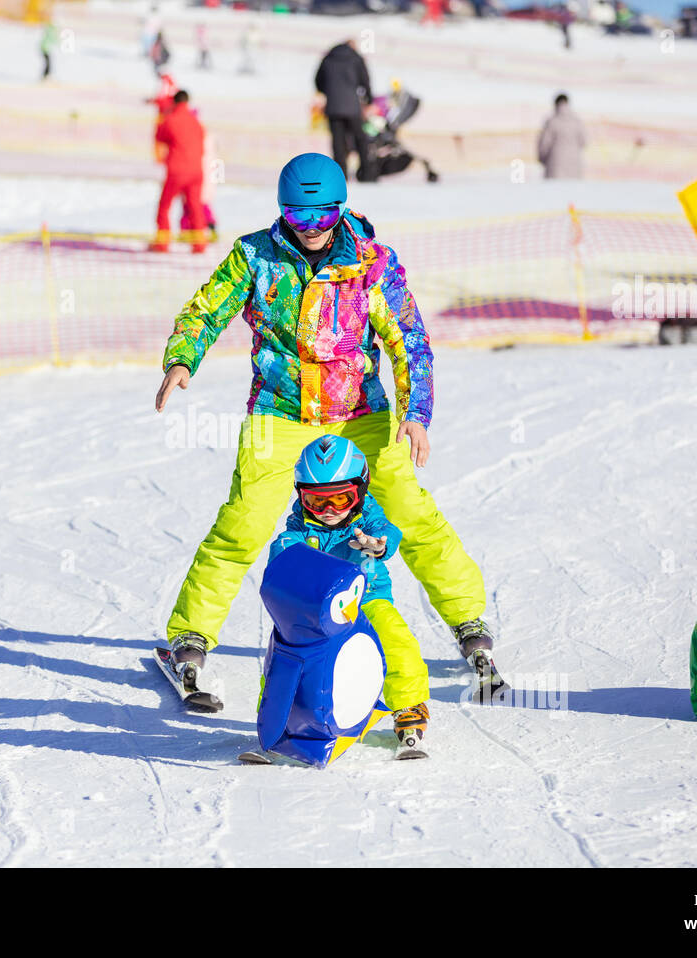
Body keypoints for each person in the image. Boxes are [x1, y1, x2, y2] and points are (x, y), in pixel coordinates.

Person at [155, 152, 494, 720]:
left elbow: (408, 336)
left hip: (360, 412)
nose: (310, 231)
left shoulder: (370, 261)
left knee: (409, 510)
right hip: (280, 412)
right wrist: (182, 358)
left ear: (340, 209)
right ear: (282, 211)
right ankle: (190, 638)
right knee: (245, 522)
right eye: (297, 216)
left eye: (322, 217)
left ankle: (468, 619)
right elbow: (206, 309)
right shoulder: (255, 256)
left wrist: (416, 411)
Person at [268, 435, 433, 747]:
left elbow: (387, 531)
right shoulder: (300, 529)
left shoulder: (367, 517)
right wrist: (284, 555)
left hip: (367, 598)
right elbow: (285, 551)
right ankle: (283, 715)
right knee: (286, 655)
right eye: (316, 501)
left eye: (340, 499)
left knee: (395, 640)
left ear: (360, 491)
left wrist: (379, 544)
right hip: (318, 608)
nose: (328, 509)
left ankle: (409, 704)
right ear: (302, 497)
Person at [151, 90, 207, 254]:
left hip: (177, 171)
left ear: (174, 102)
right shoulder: (196, 121)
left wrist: (162, 114)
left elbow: (159, 136)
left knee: (164, 206)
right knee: (195, 207)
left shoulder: (170, 119)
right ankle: (199, 243)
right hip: (196, 171)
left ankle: (162, 243)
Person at [314, 39, 374, 181]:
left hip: (333, 106)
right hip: (352, 107)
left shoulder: (328, 58)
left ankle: (341, 176)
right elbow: (365, 80)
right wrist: (369, 99)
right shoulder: (356, 58)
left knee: (338, 142)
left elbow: (318, 81)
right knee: (360, 139)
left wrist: (329, 91)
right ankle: (366, 173)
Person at [537, 92, 586, 179]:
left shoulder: (552, 121)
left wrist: (542, 159)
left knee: (555, 190)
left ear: (555, 104)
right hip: (574, 162)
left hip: (555, 162)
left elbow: (544, 143)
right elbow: (584, 142)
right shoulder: (577, 121)